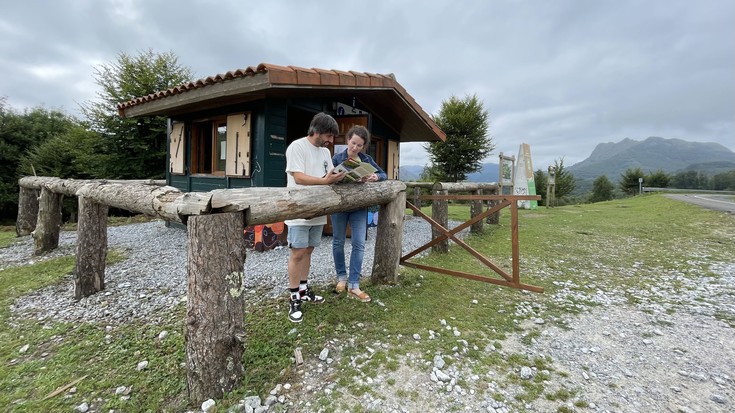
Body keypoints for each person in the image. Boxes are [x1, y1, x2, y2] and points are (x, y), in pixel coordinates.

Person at [284, 112, 345, 323]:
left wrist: (339, 178)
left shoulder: (326, 153)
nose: (330, 141)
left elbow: (327, 176)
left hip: (318, 209)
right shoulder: (297, 147)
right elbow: (298, 177)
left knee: (308, 250)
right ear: (317, 131)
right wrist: (326, 182)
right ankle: (293, 299)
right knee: (297, 253)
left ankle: (303, 289)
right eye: (328, 136)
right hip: (299, 209)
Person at [330, 125, 387, 303]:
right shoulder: (335, 158)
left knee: (359, 243)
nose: (355, 148)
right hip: (339, 205)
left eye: (359, 145)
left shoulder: (366, 159)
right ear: (348, 140)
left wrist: (375, 177)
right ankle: (341, 278)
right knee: (338, 242)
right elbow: (326, 179)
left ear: (363, 147)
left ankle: (354, 285)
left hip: (359, 207)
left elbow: (383, 173)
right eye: (353, 143)